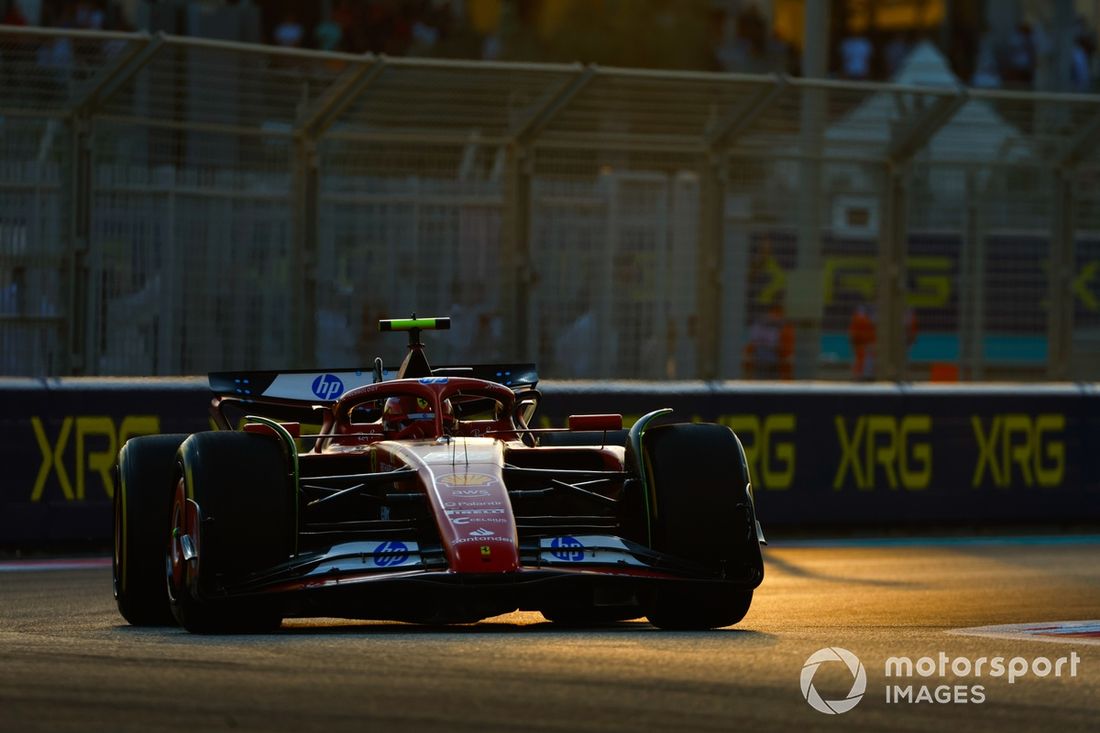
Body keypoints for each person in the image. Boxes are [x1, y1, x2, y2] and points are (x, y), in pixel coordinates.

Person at [743, 304, 794, 380]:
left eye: (779, 314)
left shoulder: (786, 328)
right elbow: (750, 347)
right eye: (774, 313)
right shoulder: (758, 326)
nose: (776, 316)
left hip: (776, 363)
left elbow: (786, 352)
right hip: (759, 362)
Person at [848, 303, 876, 381]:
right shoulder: (859, 318)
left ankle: (864, 376)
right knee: (861, 359)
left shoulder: (863, 318)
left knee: (867, 358)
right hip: (863, 343)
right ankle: (860, 376)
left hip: (868, 343)